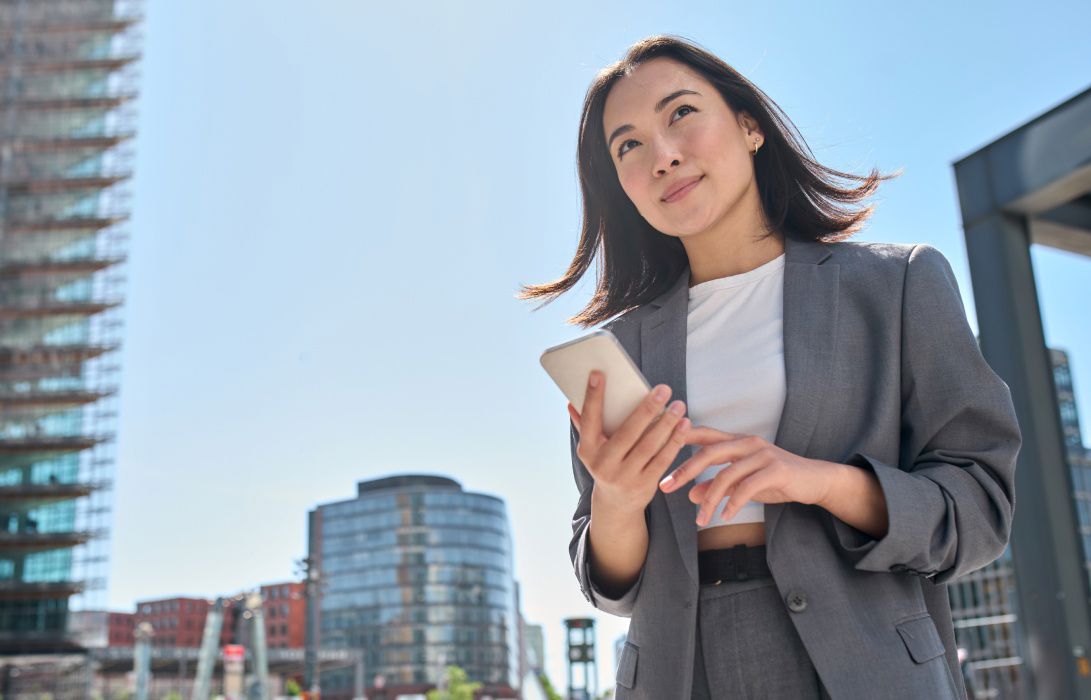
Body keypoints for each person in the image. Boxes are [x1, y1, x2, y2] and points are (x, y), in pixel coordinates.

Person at [520, 35, 1021, 700]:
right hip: (679, 670)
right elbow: (610, 586)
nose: (663, 155)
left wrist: (816, 481)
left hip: (863, 661)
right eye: (628, 146)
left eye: (680, 114)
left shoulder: (894, 286)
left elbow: (978, 510)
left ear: (749, 127)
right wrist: (615, 499)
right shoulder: (621, 350)